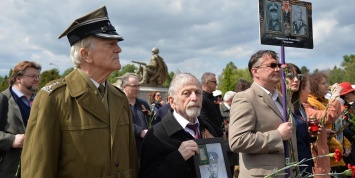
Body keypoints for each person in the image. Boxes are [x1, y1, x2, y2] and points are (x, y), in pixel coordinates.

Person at [21, 6, 138, 177]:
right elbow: (37, 170)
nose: (118, 49)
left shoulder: (119, 97)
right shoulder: (54, 98)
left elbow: (131, 161)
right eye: (110, 43)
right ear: (86, 54)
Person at [229, 50, 298, 177]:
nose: (277, 69)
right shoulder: (245, 98)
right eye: (272, 65)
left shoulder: (282, 99)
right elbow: (238, 141)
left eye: (278, 65)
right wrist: (277, 135)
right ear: (255, 71)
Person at [139, 72, 217, 178]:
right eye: (186, 93)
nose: (194, 98)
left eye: (198, 93)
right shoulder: (156, 135)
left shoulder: (207, 129)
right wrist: (178, 158)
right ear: (172, 101)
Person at [0, 61, 41, 178]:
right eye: (32, 76)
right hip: (8, 170)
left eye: (38, 76)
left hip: (35, 169)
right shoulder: (3, 99)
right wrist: (11, 140)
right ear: (18, 78)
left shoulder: (41, 100)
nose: (37, 79)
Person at [305, 72, 346, 177]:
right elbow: (327, 117)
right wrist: (335, 96)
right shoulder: (310, 101)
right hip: (318, 148)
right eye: (323, 83)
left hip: (327, 146)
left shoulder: (323, 100)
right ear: (314, 86)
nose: (327, 85)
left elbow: (334, 118)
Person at [121, 73, 151, 159]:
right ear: (124, 87)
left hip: (144, 151)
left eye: (138, 86)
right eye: (134, 86)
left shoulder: (143, 104)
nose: (137, 89)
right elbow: (120, 123)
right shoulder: (118, 105)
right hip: (127, 151)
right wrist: (140, 131)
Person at [200, 72, 224, 137]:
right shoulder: (202, 98)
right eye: (215, 82)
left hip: (218, 133)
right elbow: (205, 119)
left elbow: (217, 116)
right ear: (207, 83)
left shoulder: (212, 97)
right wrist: (220, 132)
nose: (216, 84)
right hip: (210, 135)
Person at [339, 82, 355, 166]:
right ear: (346, 95)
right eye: (353, 93)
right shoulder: (342, 109)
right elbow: (345, 128)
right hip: (348, 145)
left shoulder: (348, 107)